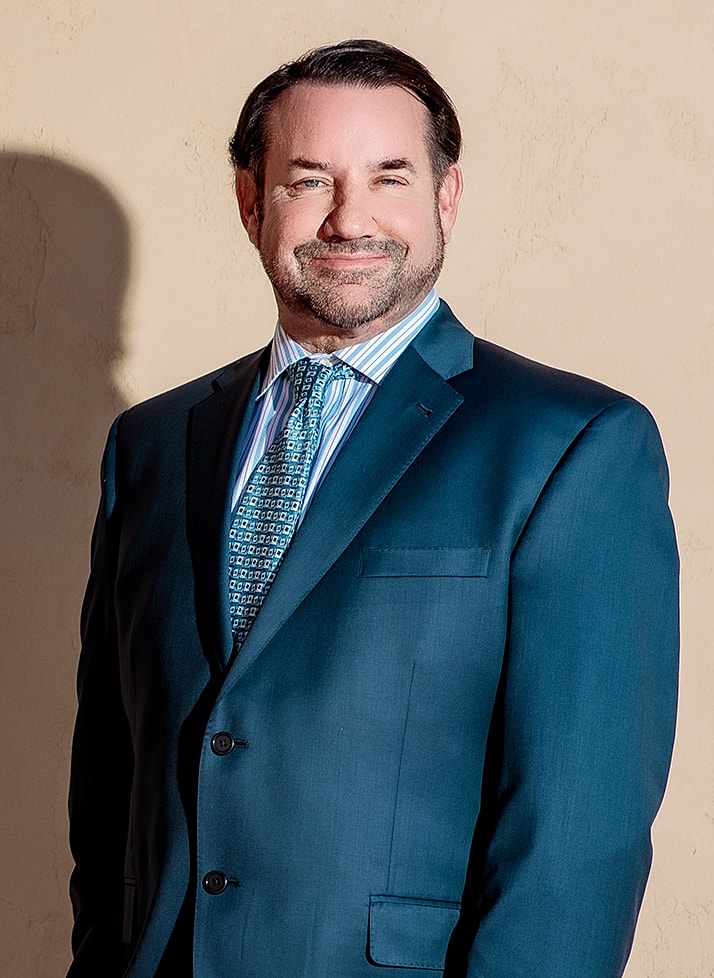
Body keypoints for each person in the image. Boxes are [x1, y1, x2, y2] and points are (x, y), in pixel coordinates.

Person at [68, 39, 679, 978]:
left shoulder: (572, 446)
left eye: (389, 177)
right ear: (250, 201)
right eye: (308, 180)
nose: (350, 218)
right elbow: (109, 779)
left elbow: (577, 839)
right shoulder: (151, 445)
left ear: (446, 198)